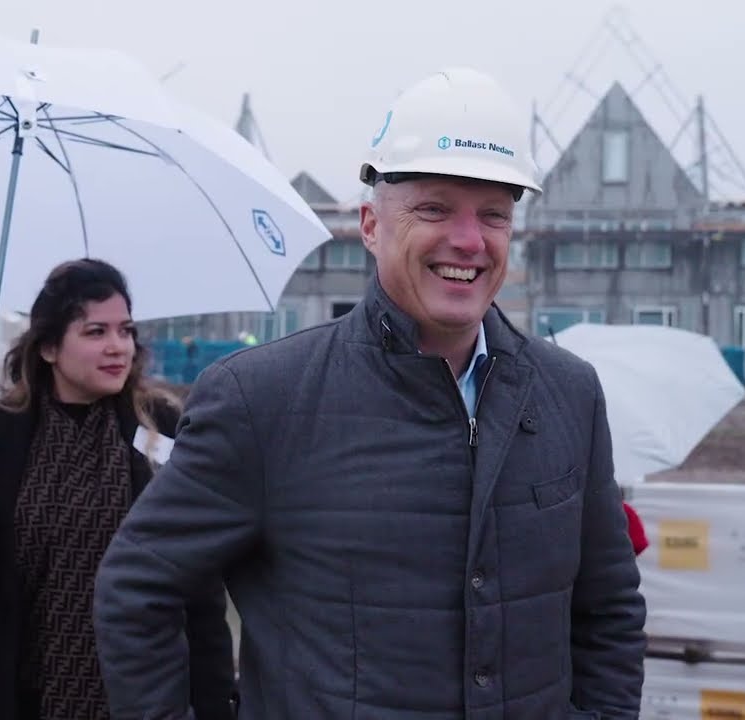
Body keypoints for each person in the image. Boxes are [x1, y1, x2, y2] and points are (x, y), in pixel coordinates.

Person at [93, 67, 647, 718]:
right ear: (370, 225)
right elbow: (138, 588)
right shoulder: (262, 401)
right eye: (434, 209)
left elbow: (608, 609)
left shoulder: (568, 395)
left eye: (493, 215)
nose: (469, 241)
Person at [0, 258, 237, 720]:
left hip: (138, 698)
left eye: (125, 331)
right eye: (96, 332)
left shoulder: (163, 427)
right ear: (49, 347)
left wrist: (215, 700)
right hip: (18, 698)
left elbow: (199, 579)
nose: (118, 347)